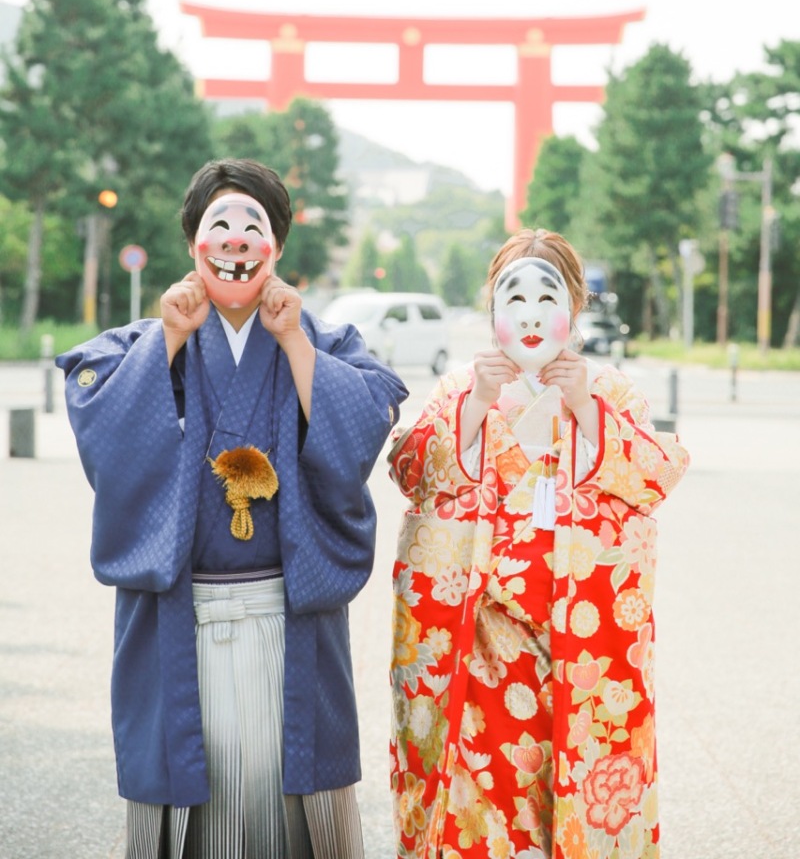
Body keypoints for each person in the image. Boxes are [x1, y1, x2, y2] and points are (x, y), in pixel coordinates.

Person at [57, 158, 408, 859]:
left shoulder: (320, 342)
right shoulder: (146, 342)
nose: (237, 238)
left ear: (276, 246)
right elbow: (104, 433)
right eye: (220, 223)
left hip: (291, 616)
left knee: (295, 807)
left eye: (255, 225)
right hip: (179, 618)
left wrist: (292, 341)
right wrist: (170, 338)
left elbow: (368, 416)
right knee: (193, 809)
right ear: (194, 243)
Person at [387, 228, 690, 859]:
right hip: (478, 644)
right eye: (512, 298)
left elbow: (658, 475)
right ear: (492, 310)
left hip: (579, 645)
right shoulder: (462, 386)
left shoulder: (606, 388)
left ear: (574, 310)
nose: (529, 315)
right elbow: (410, 470)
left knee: (576, 793)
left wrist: (584, 407)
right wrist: (474, 407)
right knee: (479, 801)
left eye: (546, 297)